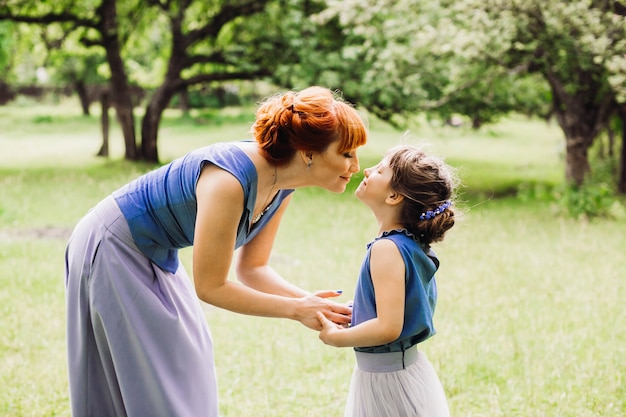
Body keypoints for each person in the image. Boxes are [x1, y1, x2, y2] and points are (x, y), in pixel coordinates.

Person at [64, 86, 367, 417]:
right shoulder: (229, 181)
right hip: (112, 245)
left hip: (154, 250)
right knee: (152, 379)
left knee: (188, 361)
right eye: (347, 154)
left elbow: (253, 269)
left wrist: (316, 307)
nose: (356, 166)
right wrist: (296, 310)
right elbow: (210, 286)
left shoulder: (283, 186)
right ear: (308, 152)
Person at [317, 144, 458, 417]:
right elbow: (399, 310)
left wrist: (337, 337)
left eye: (380, 170)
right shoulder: (410, 244)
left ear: (394, 195)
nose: (367, 170)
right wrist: (358, 312)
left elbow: (389, 327)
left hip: (388, 380)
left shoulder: (386, 249)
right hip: (403, 370)